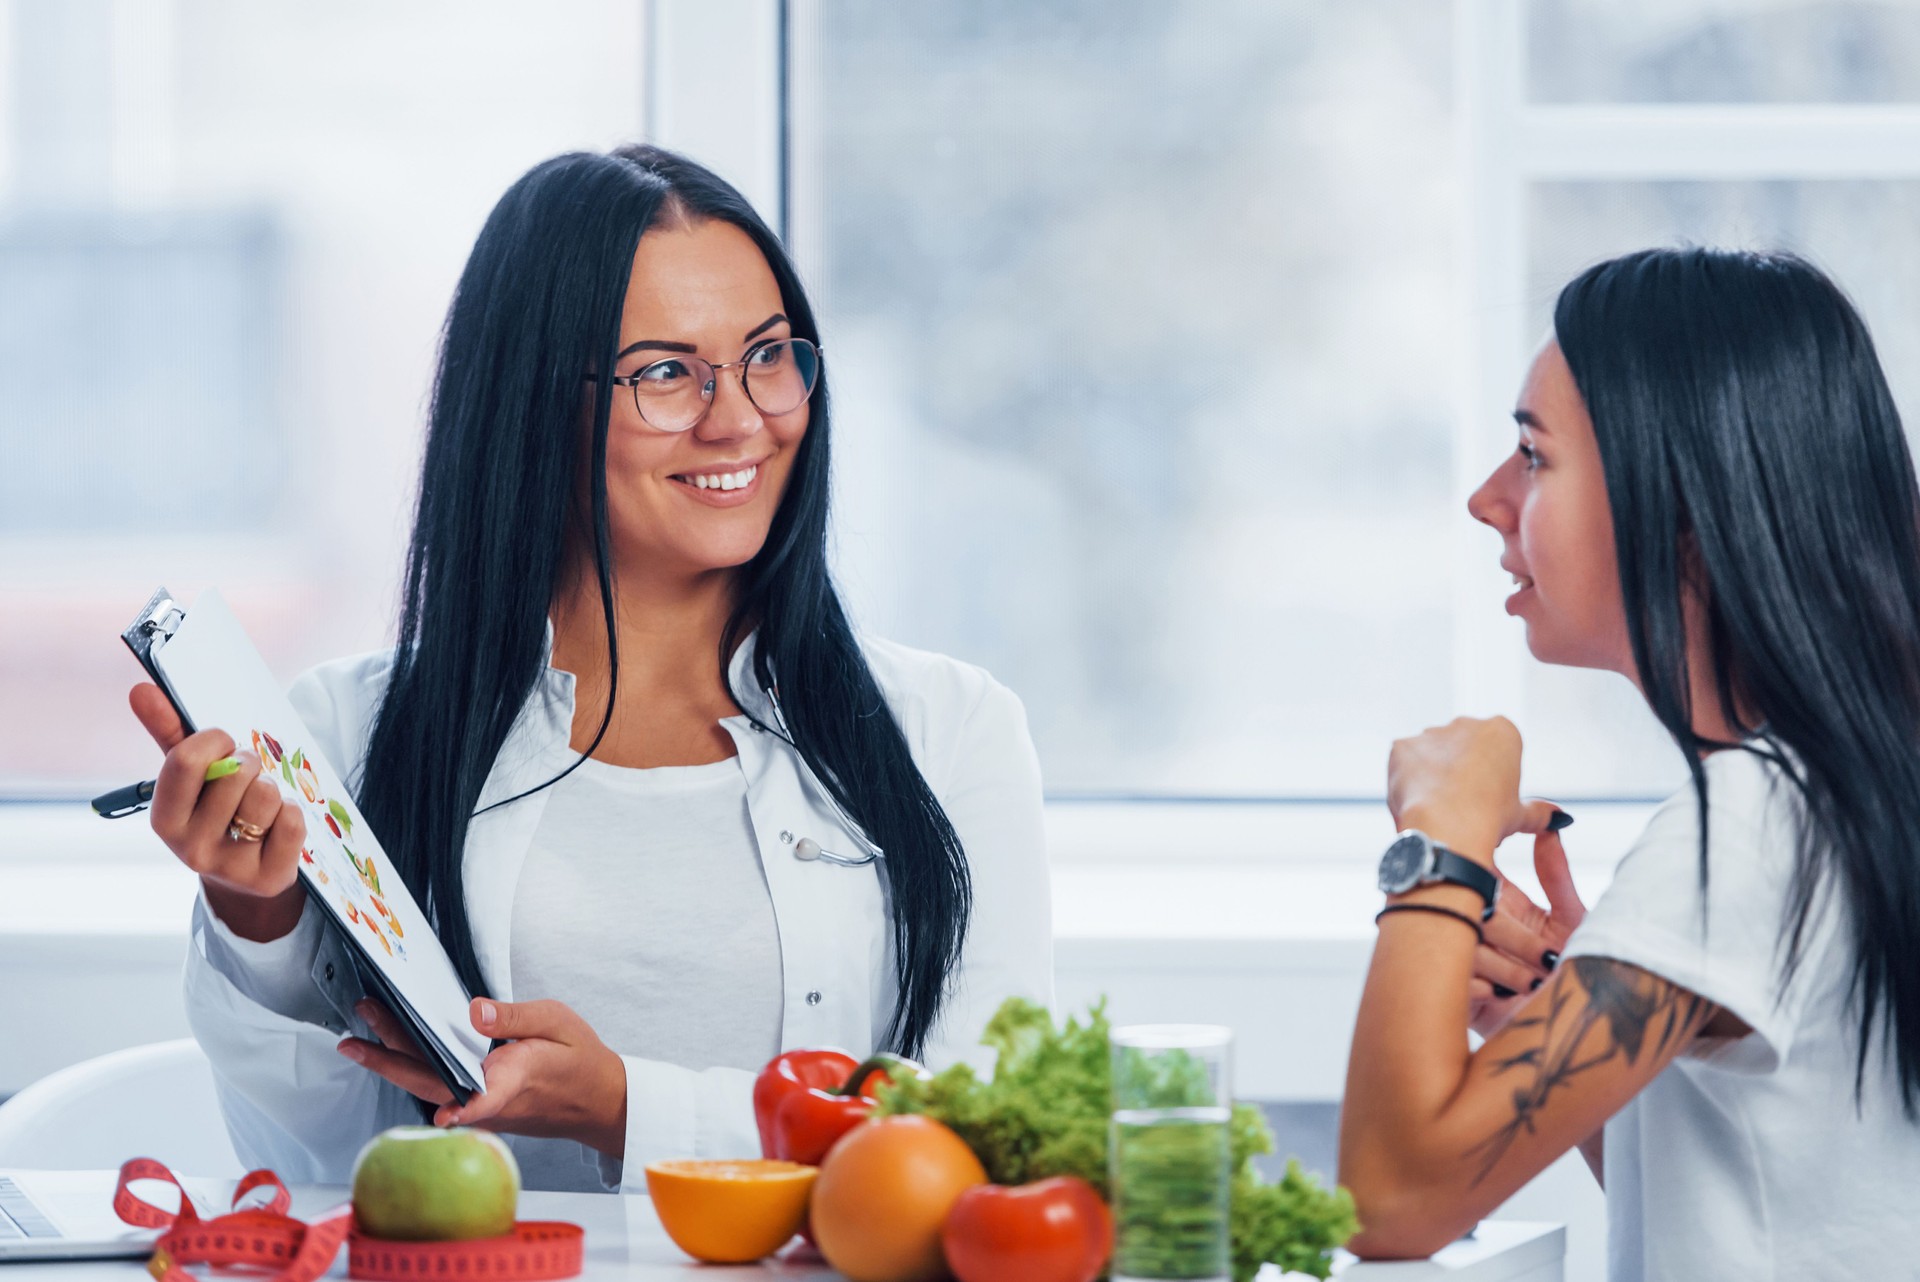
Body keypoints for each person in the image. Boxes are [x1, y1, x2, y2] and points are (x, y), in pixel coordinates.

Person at [127, 144, 1052, 1192]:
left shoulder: (951, 730)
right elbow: (313, 1170)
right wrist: (256, 916)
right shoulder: (343, 733)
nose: (740, 418)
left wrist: (626, 1111)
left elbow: (986, 1144)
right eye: (665, 372)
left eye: (767, 354)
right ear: (530, 402)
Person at [1339, 248, 1920, 1278]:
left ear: (1687, 508)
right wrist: (1544, 1024)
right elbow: (1776, 1206)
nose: (1485, 498)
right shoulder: (1848, 790)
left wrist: (1438, 846)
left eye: (1533, 455)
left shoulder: (1749, 823)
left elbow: (1389, 1203)